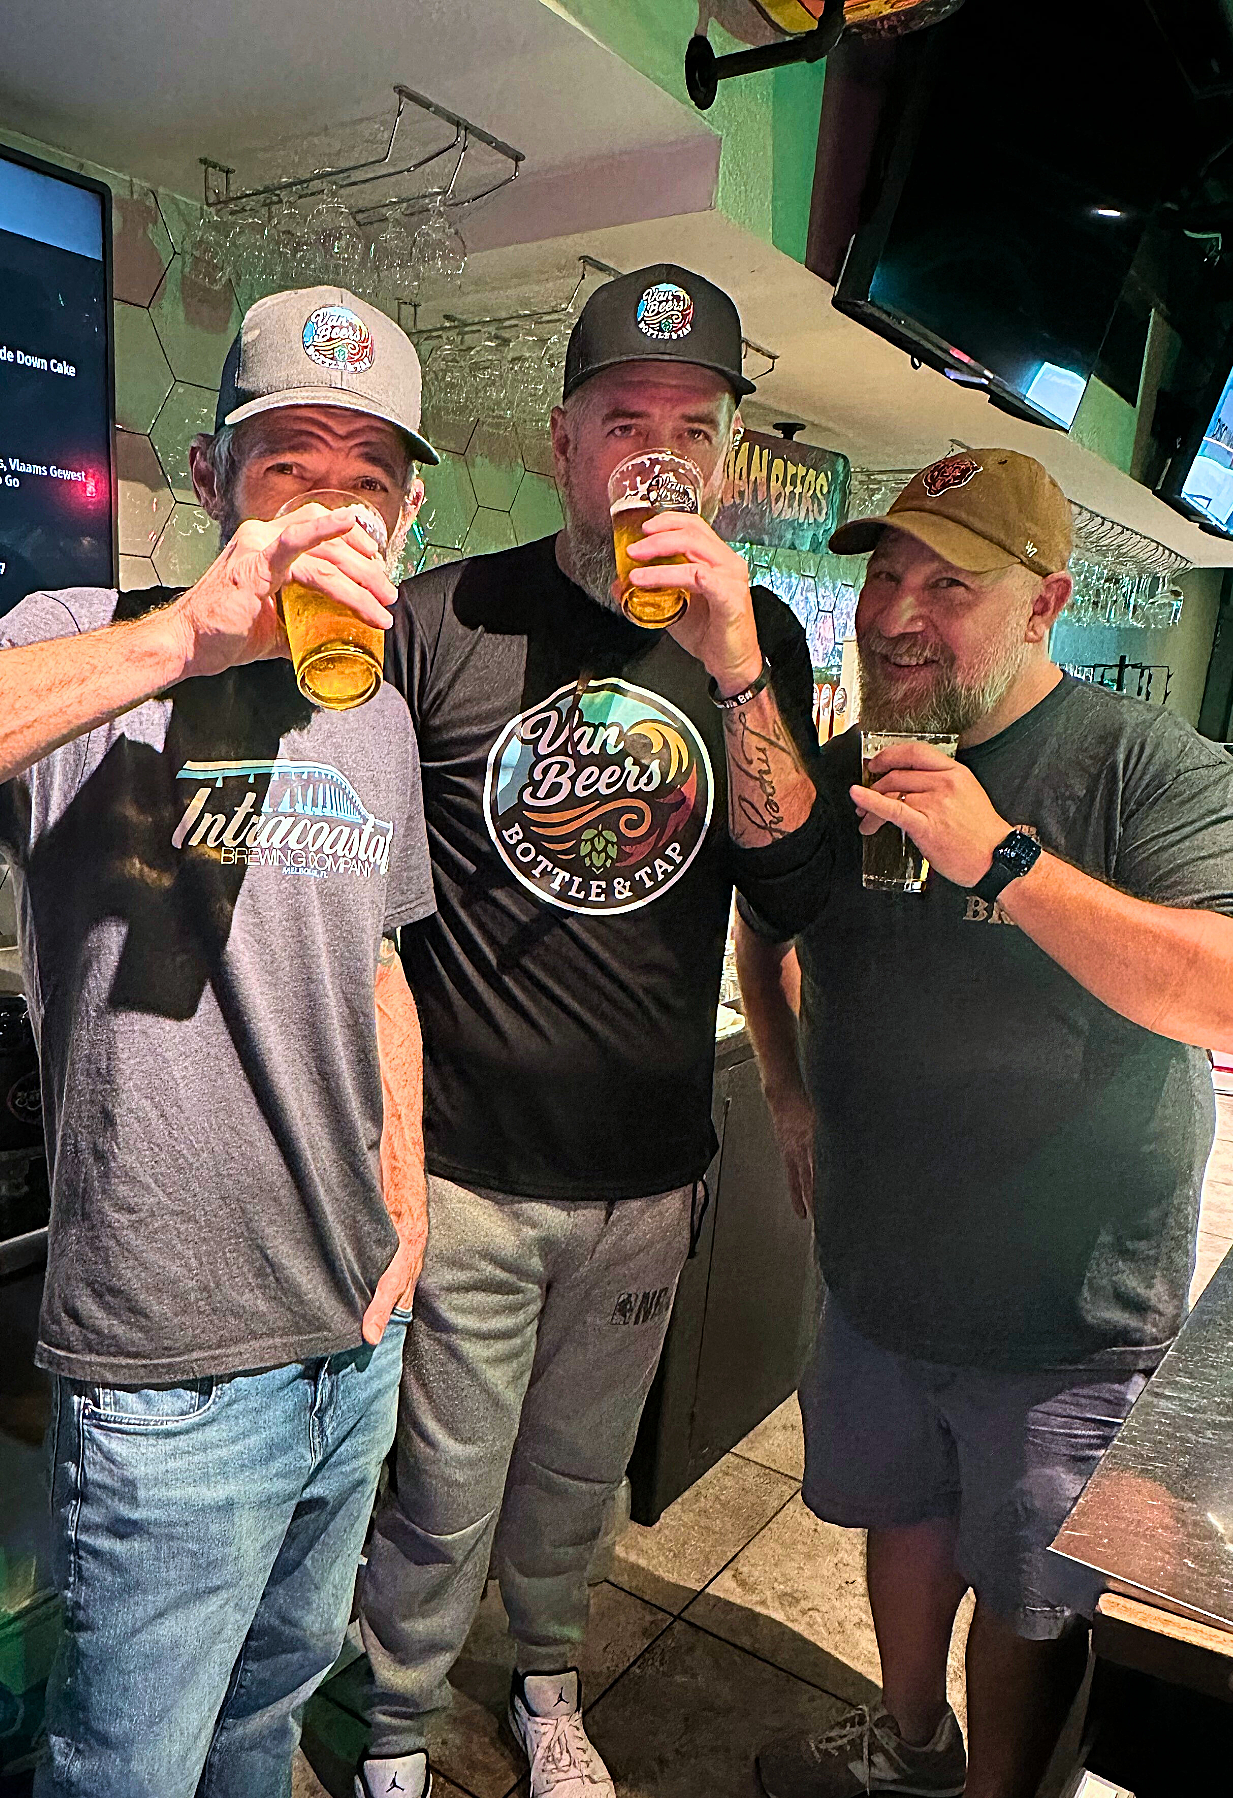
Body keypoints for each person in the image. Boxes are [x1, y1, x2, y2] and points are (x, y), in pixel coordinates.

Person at [0, 287, 441, 1798]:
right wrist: (182, 639)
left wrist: (406, 1186)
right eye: (289, 468)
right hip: (171, 1377)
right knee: (129, 1767)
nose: (330, 512)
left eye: (367, 479)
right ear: (212, 479)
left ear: (405, 511)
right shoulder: (89, 642)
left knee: (267, 1724)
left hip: (354, 1341)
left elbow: (378, 955)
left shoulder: (378, 713)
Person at [344, 265, 826, 1798]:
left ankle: (547, 1687)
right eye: (628, 422)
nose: (659, 458)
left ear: (729, 458)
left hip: (649, 1174)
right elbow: (347, 889)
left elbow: (794, 885)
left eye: (694, 429)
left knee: (574, 1474)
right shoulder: (443, 619)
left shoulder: (762, 639)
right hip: (470, 1168)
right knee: (442, 1486)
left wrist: (738, 665)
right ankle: (398, 1723)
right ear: (565, 441)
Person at [736, 448, 1233, 1798]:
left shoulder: (1141, 765)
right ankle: (913, 1747)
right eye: (887, 576)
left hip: (1067, 1316)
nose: (898, 614)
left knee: (1036, 1596)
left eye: (949, 586)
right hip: (877, 1286)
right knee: (901, 1525)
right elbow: (769, 924)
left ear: (1046, 603)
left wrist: (1006, 862)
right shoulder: (845, 771)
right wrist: (789, 1089)